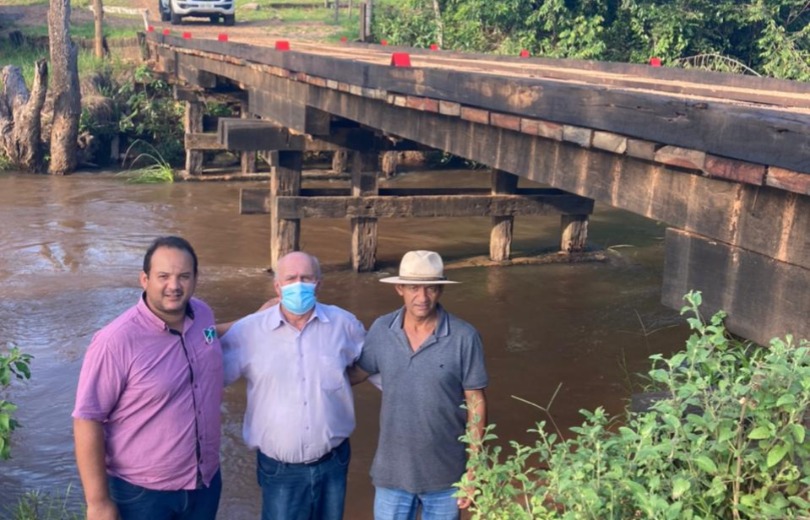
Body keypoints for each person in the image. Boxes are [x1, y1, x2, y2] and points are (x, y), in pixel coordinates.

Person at [73, 236, 223, 520]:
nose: (174, 286)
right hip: (142, 495)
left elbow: (210, 337)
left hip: (205, 482)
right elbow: (87, 419)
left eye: (184, 276)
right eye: (163, 276)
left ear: (195, 279)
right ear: (145, 279)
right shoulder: (115, 341)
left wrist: (259, 320)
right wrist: (98, 503)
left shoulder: (203, 314)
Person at [220, 250, 365, 520]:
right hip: (281, 472)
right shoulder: (249, 331)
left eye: (306, 278)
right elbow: (207, 370)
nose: (298, 284)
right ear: (277, 286)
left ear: (319, 283)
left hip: (333, 463)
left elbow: (373, 365)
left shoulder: (344, 325)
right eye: (290, 278)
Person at [354, 250, 489, 520]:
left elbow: (476, 403)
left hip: (446, 477)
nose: (422, 297)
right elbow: (356, 373)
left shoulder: (464, 337)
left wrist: (474, 469)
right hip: (391, 474)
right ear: (400, 289)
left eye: (431, 288)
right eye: (414, 288)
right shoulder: (381, 329)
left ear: (441, 290)